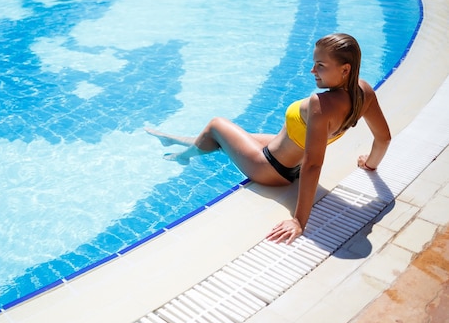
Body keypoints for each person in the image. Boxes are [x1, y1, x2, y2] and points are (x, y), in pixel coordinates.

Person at [146, 33, 391, 245]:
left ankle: (183, 156)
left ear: (345, 69)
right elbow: (384, 138)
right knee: (229, 138)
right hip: (284, 150)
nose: (312, 71)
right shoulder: (364, 92)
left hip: (271, 169)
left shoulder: (321, 105)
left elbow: (314, 164)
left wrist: (299, 221)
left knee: (216, 125)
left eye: (320, 66)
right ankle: (178, 142)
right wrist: (370, 164)